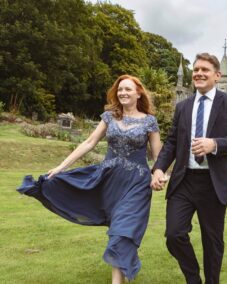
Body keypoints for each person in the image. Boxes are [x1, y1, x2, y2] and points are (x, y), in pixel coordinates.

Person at [17, 74, 162, 284]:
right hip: (109, 181)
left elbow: (158, 155)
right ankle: (124, 270)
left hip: (137, 184)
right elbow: (89, 142)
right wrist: (60, 167)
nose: (123, 93)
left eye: (128, 89)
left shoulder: (149, 121)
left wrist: (159, 173)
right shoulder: (110, 116)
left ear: (139, 92)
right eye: (120, 89)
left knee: (122, 231)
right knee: (118, 231)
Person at [151, 53, 227, 284]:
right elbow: (173, 141)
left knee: (212, 242)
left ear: (217, 76)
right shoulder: (183, 106)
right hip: (184, 180)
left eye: (205, 69)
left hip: (213, 183)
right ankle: (193, 279)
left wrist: (214, 144)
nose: (198, 73)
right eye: (196, 69)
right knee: (174, 235)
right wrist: (158, 168)